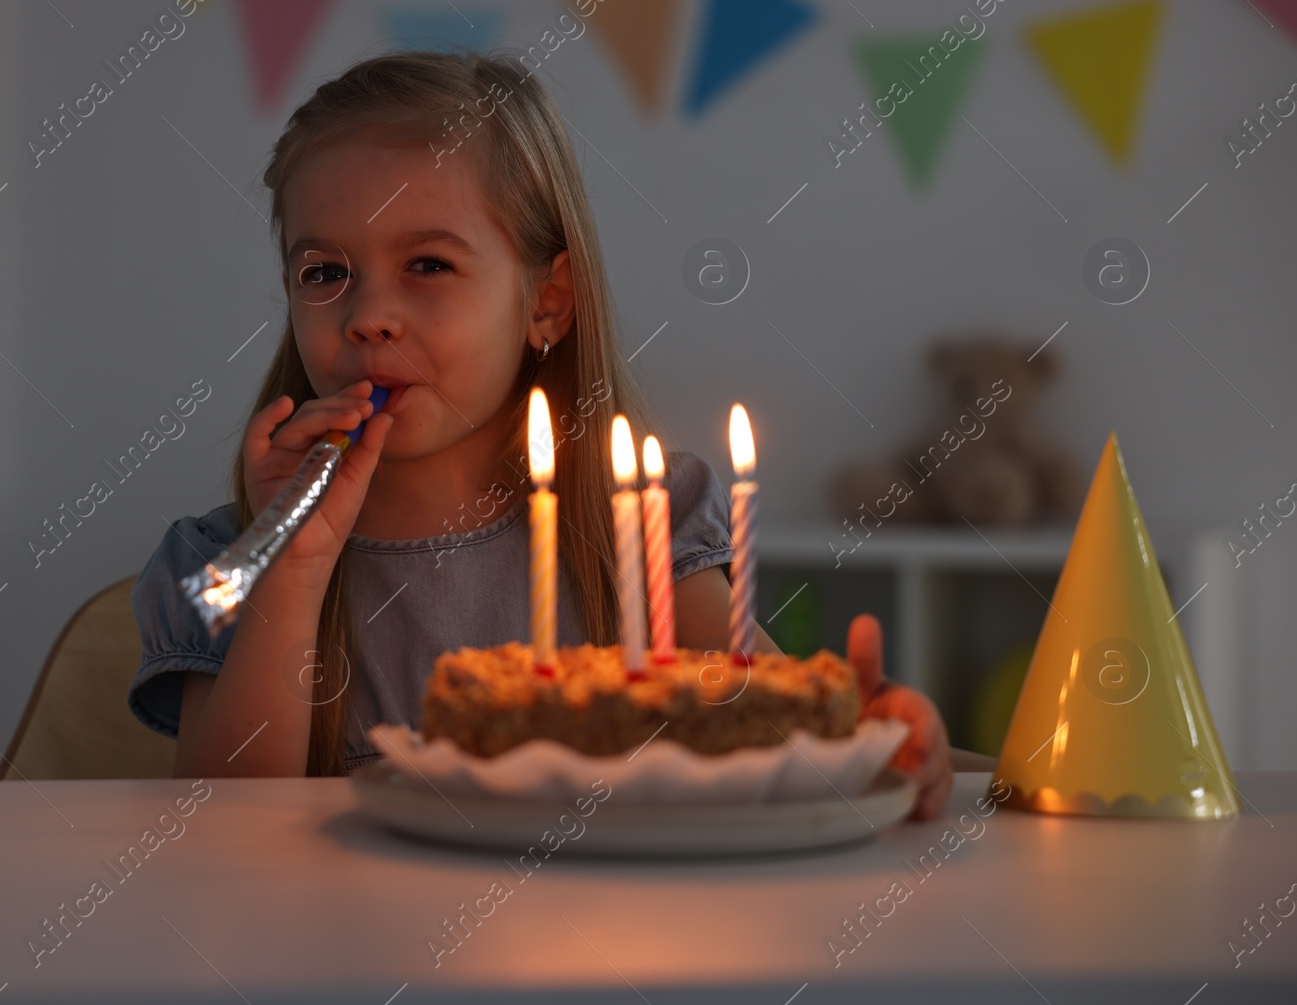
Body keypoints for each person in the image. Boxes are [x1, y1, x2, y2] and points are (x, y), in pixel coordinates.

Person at [127, 51, 953, 817]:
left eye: (428, 265)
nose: (368, 317)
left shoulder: (637, 525)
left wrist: (878, 737)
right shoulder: (229, 567)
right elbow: (219, 828)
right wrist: (294, 567)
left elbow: (784, 746)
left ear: (546, 301)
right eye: (324, 273)